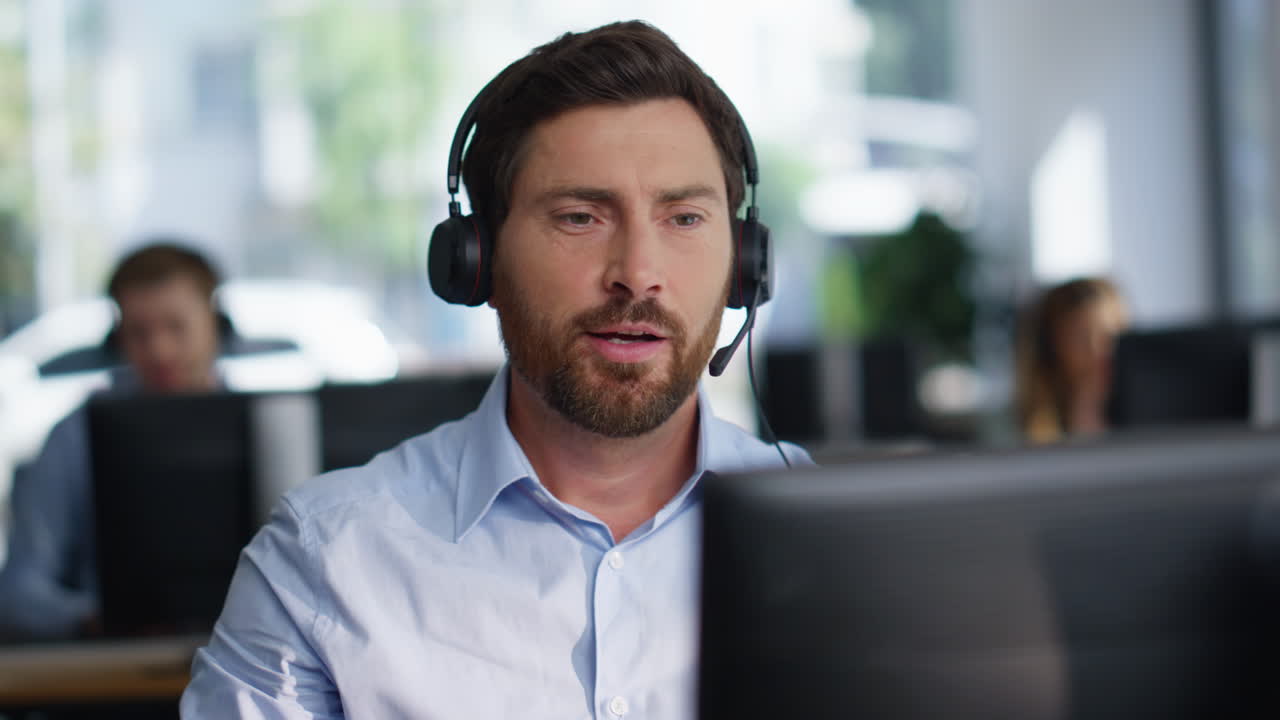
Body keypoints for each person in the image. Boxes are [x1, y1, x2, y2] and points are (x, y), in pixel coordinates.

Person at [181, 20, 810, 719]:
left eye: (684, 218)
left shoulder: (842, 548)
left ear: (744, 263)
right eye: (580, 217)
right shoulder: (326, 562)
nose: (637, 275)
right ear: (476, 260)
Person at [0, 242, 225, 641]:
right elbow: (19, 593)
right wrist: (98, 620)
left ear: (216, 323)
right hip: (117, 672)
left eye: (176, 326)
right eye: (139, 332)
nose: (159, 349)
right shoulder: (74, 437)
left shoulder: (273, 428)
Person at [1015, 276, 1130, 445]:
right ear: (1051, 347)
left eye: (1108, 335)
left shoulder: (1147, 412)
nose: (1097, 349)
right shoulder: (1026, 428)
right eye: (1079, 336)